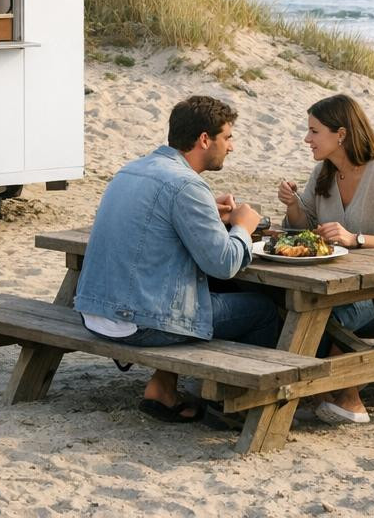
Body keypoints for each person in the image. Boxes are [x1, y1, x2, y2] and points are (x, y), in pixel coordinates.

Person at [75, 95, 280, 423]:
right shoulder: (186, 185)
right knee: (263, 310)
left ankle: (162, 388)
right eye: (227, 137)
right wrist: (243, 227)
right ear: (204, 139)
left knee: (189, 294)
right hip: (136, 322)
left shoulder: (133, 169)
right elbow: (225, 265)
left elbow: (160, 221)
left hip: (95, 312)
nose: (232, 146)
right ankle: (235, 407)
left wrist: (208, 211)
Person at [277, 94, 374, 424]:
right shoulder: (323, 172)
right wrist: (293, 205)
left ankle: (337, 392)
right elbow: (307, 228)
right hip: (333, 283)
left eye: (314, 131)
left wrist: (354, 239)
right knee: (287, 304)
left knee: (325, 313)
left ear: (340, 135)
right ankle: (319, 392)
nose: (307, 139)